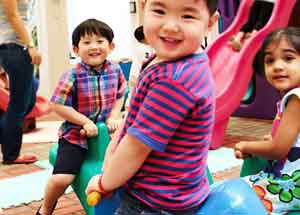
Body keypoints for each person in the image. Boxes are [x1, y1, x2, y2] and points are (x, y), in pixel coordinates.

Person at [86, 0, 219, 214]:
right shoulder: (169, 60)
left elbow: (137, 146)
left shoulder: (174, 79)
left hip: (154, 201)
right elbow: (135, 119)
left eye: (187, 16)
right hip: (169, 191)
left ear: (210, 22)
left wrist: (104, 183)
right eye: (159, 11)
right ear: (143, 7)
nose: (170, 26)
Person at [35, 18, 126, 215]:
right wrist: (84, 121)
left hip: (107, 134)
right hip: (76, 135)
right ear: (76, 50)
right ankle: (45, 209)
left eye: (100, 41)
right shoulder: (73, 75)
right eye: (86, 42)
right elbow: (57, 104)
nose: (94, 47)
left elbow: (121, 94)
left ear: (111, 46)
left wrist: (113, 117)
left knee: (134, 162)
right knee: (62, 179)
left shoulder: (116, 70)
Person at [234, 27, 300, 214]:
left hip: (291, 185)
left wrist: (246, 146)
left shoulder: (296, 98)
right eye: (270, 60)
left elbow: (279, 150)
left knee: (234, 197)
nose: (277, 66)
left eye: (288, 58)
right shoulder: (290, 97)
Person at [0, 0, 42, 164]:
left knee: (28, 101)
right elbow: (13, 15)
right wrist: (30, 46)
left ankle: (8, 142)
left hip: (18, 47)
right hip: (14, 46)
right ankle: (11, 155)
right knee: (18, 105)